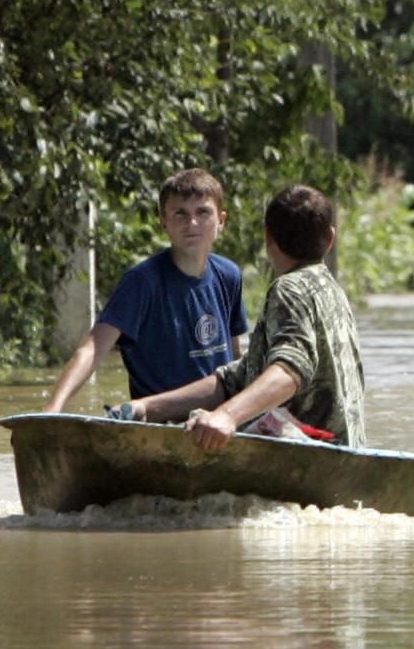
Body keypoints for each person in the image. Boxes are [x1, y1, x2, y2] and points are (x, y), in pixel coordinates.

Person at [127, 184, 366, 451]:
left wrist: (226, 415)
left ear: (268, 237)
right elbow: (241, 375)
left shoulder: (288, 289)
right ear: (330, 239)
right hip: (349, 450)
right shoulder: (331, 287)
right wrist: (149, 406)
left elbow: (290, 370)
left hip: (312, 454)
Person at [43, 168, 248, 413]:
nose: (192, 223)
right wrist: (53, 408)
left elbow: (236, 357)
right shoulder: (141, 282)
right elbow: (92, 349)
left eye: (202, 212)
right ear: (164, 222)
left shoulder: (229, 275)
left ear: (221, 221)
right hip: (158, 417)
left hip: (217, 417)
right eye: (180, 214)